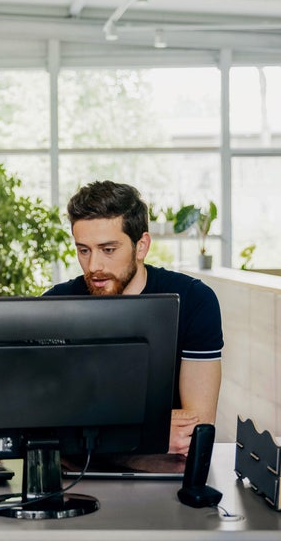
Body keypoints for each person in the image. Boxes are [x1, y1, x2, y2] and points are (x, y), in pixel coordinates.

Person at [44, 180, 223, 457]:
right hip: (76, 475)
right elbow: (43, 425)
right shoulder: (55, 305)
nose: (94, 267)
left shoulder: (194, 301)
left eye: (108, 249)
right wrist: (150, 432)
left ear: (141, 246)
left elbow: (194, 431)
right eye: (84, 250)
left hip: (163, 480)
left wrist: (91, 428)